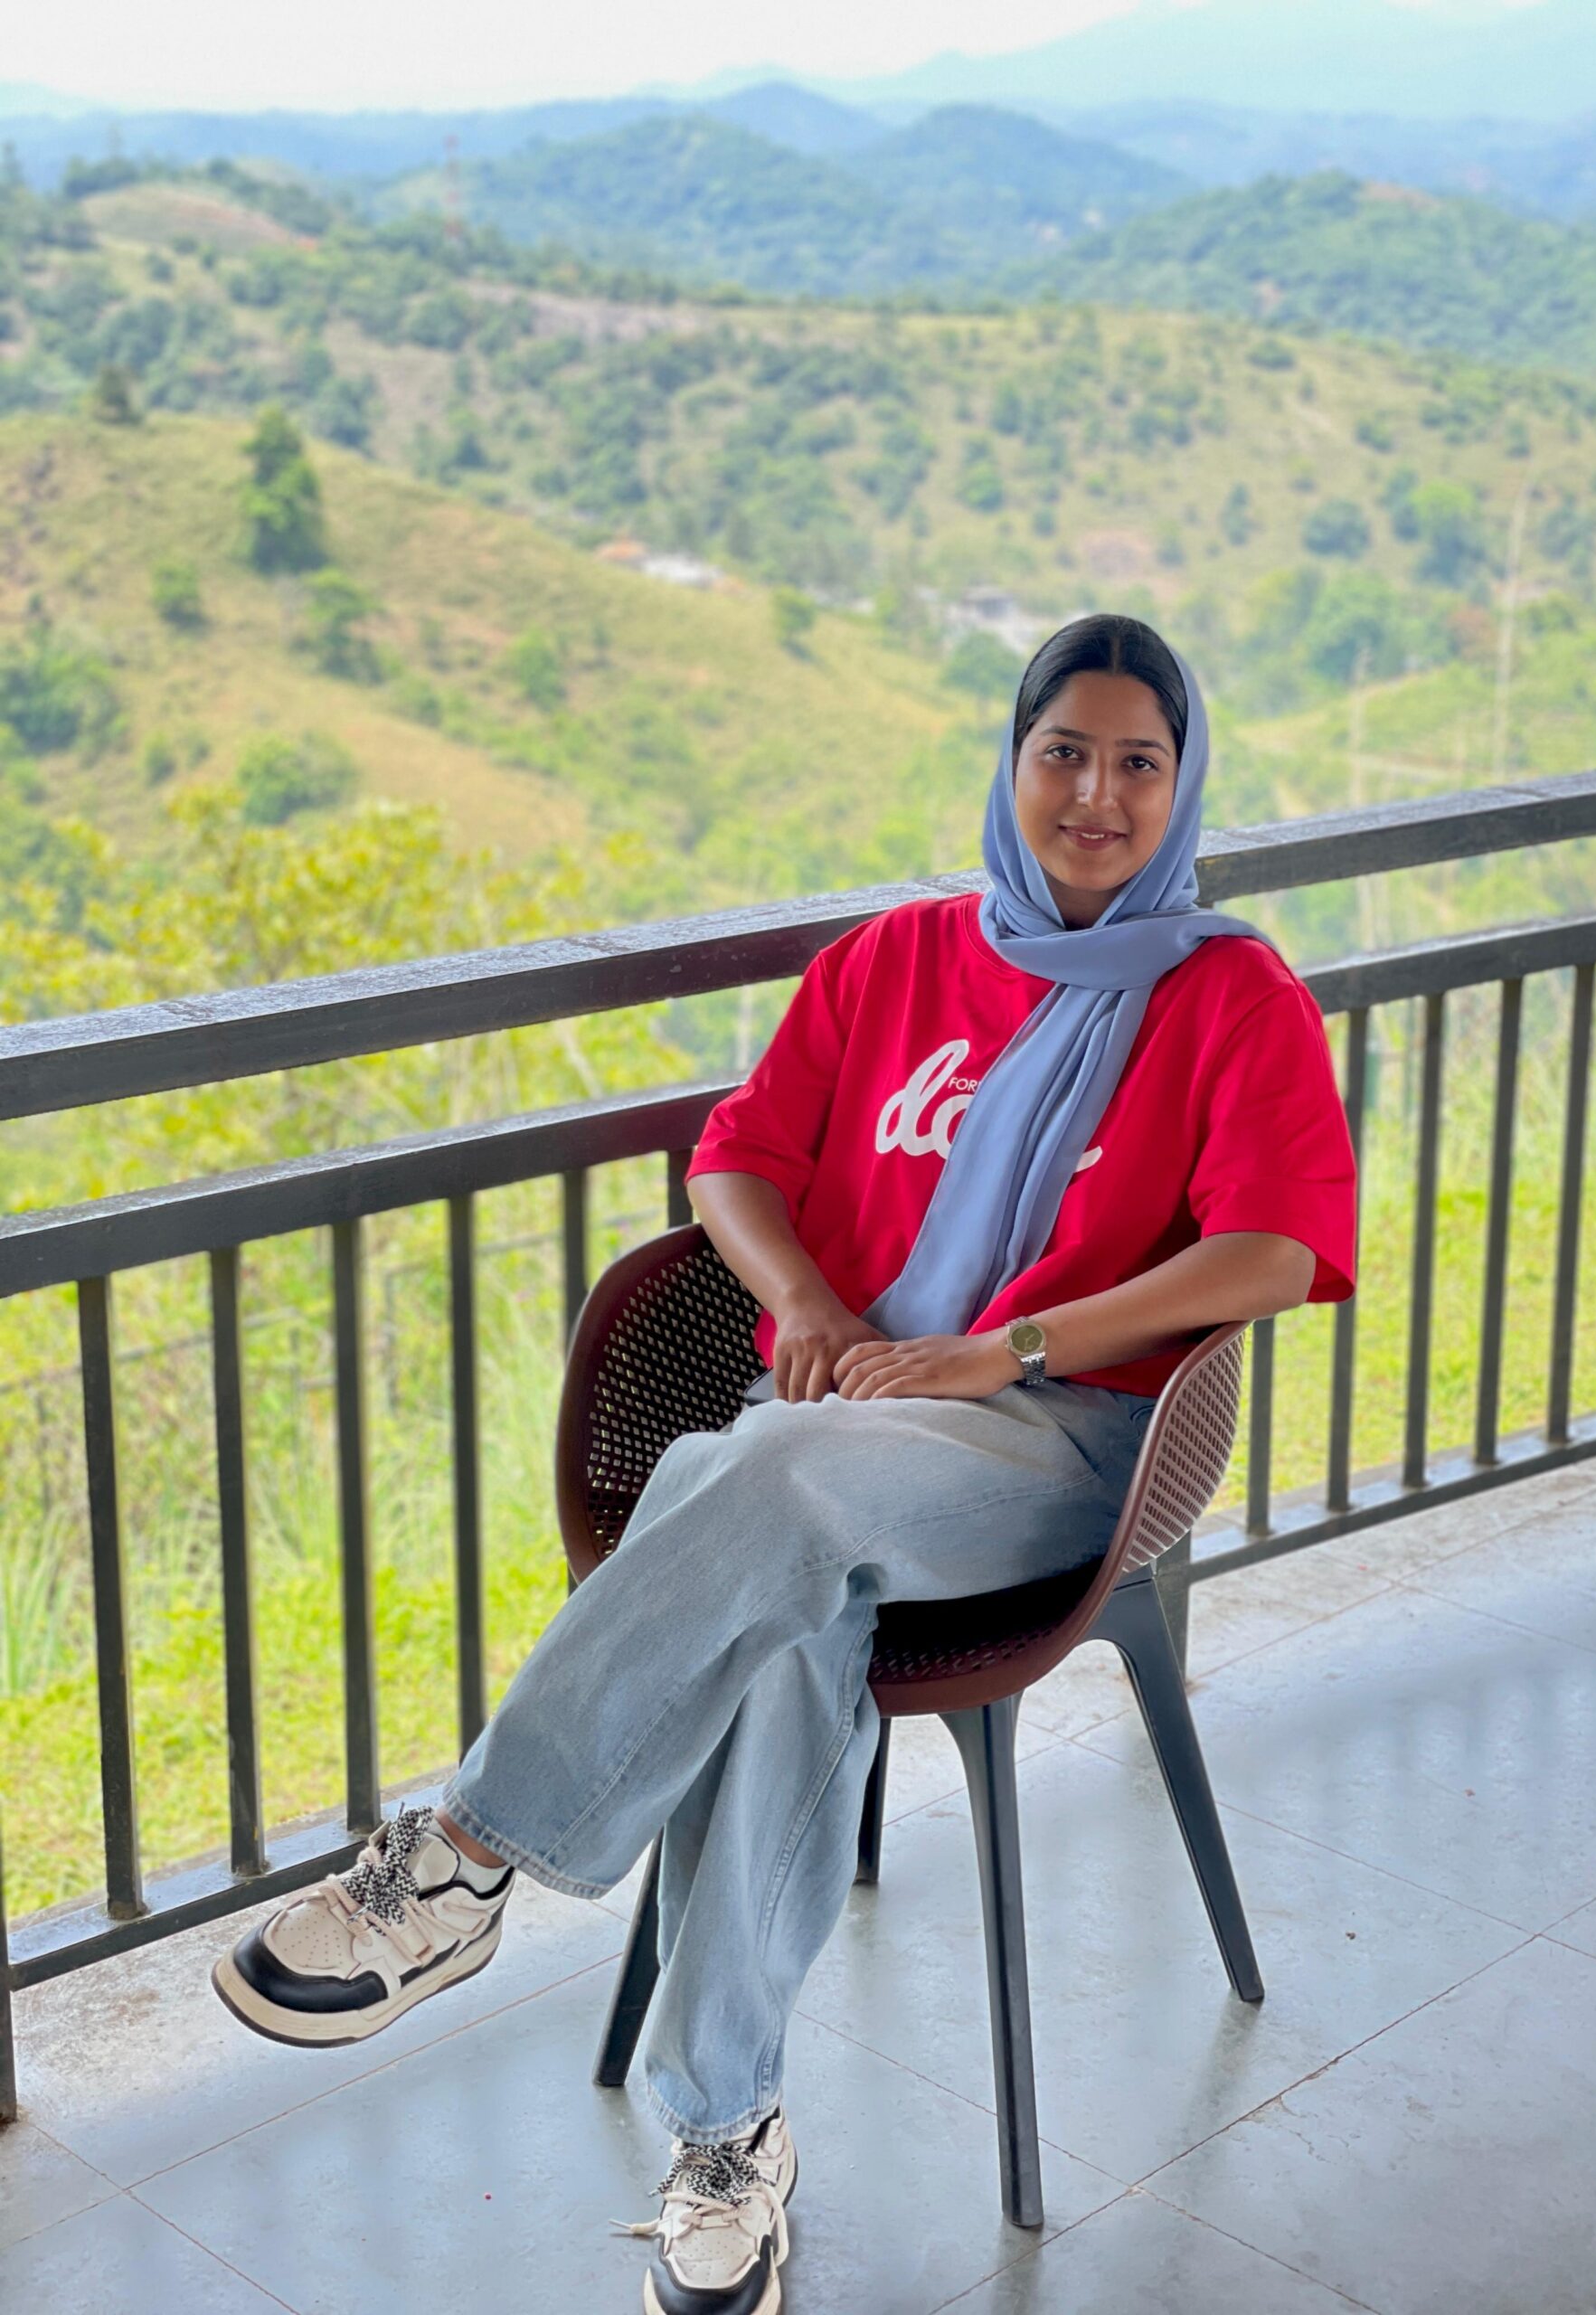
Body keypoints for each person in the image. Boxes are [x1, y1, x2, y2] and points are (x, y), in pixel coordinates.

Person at [211, 613, 1356, 2315]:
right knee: (788, 1598)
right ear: (1011, 760)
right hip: (835, 1428)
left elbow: (1274, 1252)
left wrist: (1005, 1347)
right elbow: (734, 1161)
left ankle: (463, 1854)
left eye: (1139, 762)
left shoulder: (1229, 994)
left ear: (1182, 788)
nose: (1096, 796)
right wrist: (812, 1301)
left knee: (764, 1486)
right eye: (1065, 752)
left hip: (1064, 1443)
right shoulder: (894, 960)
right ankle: (728, 2134)